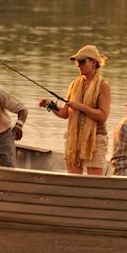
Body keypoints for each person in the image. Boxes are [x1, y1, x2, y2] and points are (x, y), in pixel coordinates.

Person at [39, 45, 111, 175]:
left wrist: (81, 107)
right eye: (77, 62)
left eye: (82, 61)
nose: (78, 65)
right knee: (73, 178)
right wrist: (50, 105)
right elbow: (65, 113)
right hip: (74, 137)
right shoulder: (74, 84)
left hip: (96, 138)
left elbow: (103, 116)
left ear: (94, 62)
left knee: (95, 182)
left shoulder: (103, 86)